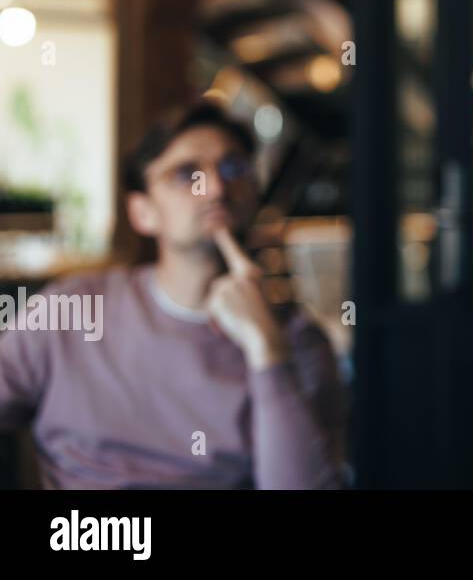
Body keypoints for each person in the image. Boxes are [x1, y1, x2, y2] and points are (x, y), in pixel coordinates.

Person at [0, 100, 345, 488]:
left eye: (233, 168)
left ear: (253, 193)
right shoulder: (71, 310)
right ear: (142, 212)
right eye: (186, 174)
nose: (215, 188)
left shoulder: (296, 339)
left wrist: (267, 349)